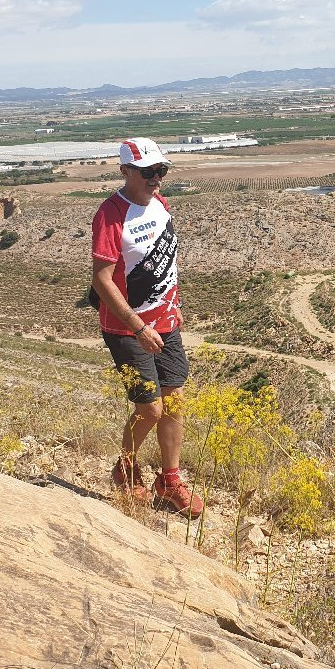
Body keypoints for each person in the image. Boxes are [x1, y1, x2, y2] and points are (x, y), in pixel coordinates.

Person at [91, 136, 203, 518]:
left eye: (161, 170)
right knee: (150, 408)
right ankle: (125, 469)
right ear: (125, 171)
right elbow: (101, 279)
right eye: (148, 171)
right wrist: (139, 327)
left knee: (174, 399)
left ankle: (169, 481)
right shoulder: (110, 214)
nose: (156, 178)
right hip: (127, 329)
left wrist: (175, 304)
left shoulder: (161, 205)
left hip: (165, 320)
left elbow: (168, 260)